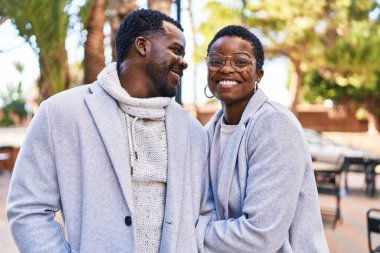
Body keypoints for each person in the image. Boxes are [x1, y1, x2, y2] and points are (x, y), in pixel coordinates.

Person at [7, 9, 209, 253]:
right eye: (176, 50)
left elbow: (205, 214)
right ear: (142, 46)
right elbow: (28, 209)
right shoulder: (61, 113)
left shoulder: (192, 131)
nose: (184, 61)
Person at [196, 25, 329, 252]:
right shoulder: (208, 133)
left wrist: (192, 231)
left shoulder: (275, 125)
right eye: (216, 61)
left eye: (240, 62)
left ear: (259, 74)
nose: (227, 69)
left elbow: (260, 236)